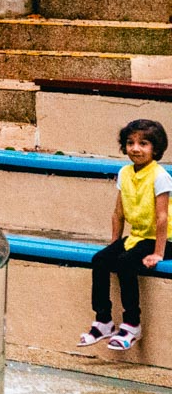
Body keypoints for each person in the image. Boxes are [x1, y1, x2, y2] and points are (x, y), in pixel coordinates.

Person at [81, 118, 172, 351]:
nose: (135, 148)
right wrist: (114, 245)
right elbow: (118, 213)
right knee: (100, 259)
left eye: (143, 144)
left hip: (163, 240)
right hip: (138, 237)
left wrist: (158, 253)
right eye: (130, 143)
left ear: (155, 149)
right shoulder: (124, 173)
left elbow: (162, 218)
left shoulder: (160, 176)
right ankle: (103, 321)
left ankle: (132, 324)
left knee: (125, 263)